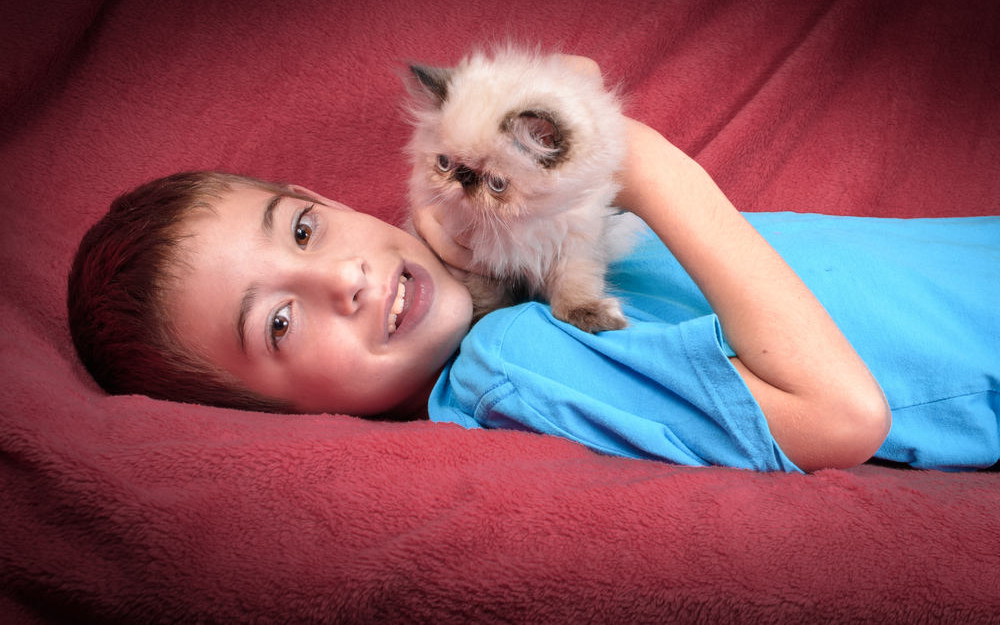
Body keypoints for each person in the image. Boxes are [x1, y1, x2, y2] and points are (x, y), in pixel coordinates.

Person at [68, 64, 999, 474]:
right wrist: (636, 158)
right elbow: (842, 416)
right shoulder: (507, 363)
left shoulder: (491, 270)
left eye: (304, 231)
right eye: (276, 323)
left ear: (326, 197)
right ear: (272, 420)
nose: (343, 279)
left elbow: (559, 85)